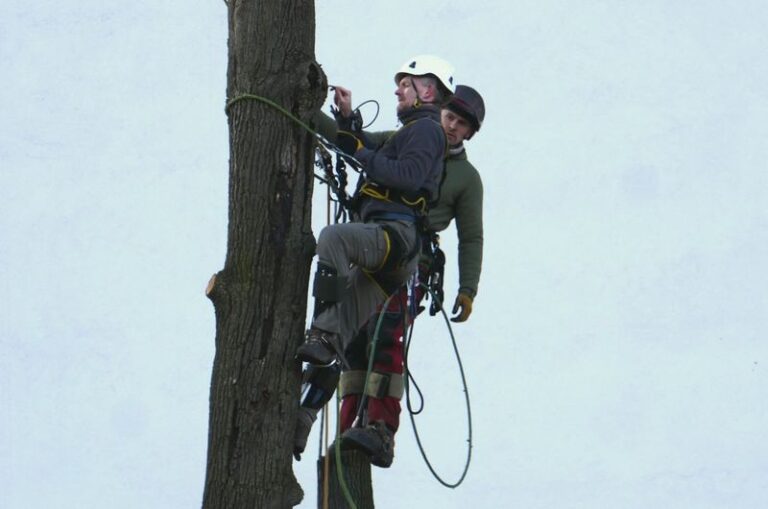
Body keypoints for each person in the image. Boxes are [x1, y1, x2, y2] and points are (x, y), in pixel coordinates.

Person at [295, 84, 486, 469]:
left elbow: (471, 235)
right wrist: (309, 113)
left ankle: (380, 428)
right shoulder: (409, 138)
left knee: (385, 336)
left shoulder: (466, 178)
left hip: (410, 255)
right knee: (351, 345)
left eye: (461, 124)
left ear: (468, 133)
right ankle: (347, 427)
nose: (451, 127)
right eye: (450, 117)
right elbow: (355, 143)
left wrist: (468, 288)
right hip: (376, 238)